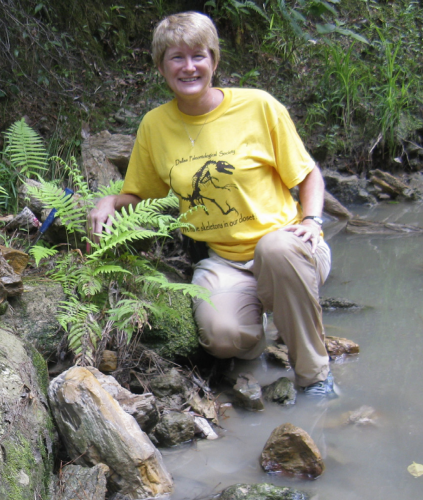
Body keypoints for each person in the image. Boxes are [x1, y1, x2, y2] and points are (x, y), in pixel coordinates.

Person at [88, 11, 334, 396]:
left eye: (199, 56)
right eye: (177, 57)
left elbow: (308, 175)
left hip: (290, 246)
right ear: (161, 67)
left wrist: (313, 220)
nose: (189, 67)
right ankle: (265, 330)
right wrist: (109, 200)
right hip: (223, 259)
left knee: (275, 248)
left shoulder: (259, 106)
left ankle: (315, 377)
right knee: (223, 338)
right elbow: (142, 194)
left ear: (214, 61)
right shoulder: (155, 126)